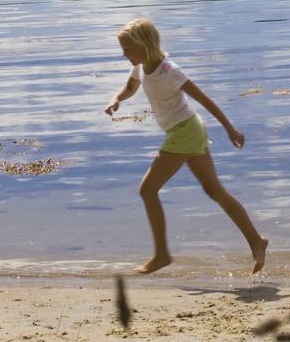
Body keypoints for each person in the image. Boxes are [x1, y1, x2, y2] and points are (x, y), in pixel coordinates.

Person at [104, 18, 268, 276]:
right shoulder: (140, 67)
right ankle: (256, 241)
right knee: (215, 191)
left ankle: (161, 255)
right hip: (188, 130)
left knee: (147, 190)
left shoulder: (169, 71)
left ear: (145, 45)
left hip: (186, 132)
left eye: (128, 49)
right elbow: (130, 87)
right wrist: (116, 100)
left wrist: (230, 129)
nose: (124, 54)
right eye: (123, 50)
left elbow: (205, 99)